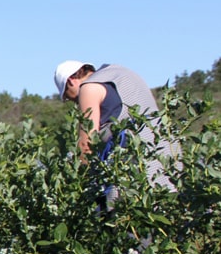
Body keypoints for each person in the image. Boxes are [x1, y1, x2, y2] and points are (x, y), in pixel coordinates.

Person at [54, 60, 176, 196]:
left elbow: (87, 144)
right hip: (171, 166)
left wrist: (79, 182)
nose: (76, 104)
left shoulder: (89, 88)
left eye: (70, 98)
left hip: (135, 179)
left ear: (71, 81)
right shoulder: (121, 73)